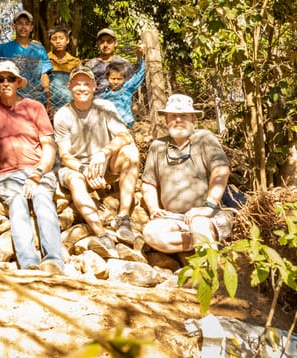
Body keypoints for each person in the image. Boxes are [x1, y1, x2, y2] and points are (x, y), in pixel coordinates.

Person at [0, 61, 64, 273]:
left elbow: (49, 146)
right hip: (7, 174)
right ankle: (28, 262)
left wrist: (37, 174)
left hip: (37, 168)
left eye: (10, 79)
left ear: (18, 82)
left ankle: (53, 261)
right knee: (17, 203)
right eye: (0, 79)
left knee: (42, 198)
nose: (5, 83)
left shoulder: (35, 107)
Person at [54, 66, 140, 257]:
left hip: (103, 164)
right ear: (69, 87)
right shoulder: (62, 115)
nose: (82, 88)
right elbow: (65, 156)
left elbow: (125, 136)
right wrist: (84, 170)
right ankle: (102, 234)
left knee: (131, 152)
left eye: (86, 84)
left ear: (94, 86)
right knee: (75, 181)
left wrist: (103, 153)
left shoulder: (105, 107)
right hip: (77, 167)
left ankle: (123, 218)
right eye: (77, 84)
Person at [141, 94, 234, 253]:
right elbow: (149, 183)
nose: (178, 120)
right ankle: (204, 242)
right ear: (166, 119)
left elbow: (221, 171)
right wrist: (154, 208)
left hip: (210, 213)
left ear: (193, 119)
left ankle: (208, 263)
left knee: (199, 225)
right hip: (173, 217)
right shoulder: (158, 146)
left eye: (184, 115)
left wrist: (208, 206)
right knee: (151, 234)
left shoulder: (204, 138)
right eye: (173, 116)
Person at [0, 11, 52, 109]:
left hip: (37, 99)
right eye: (20, 23)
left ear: (31, 27)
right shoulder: (3, 49)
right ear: (14, 26)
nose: (23, 27)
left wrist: (48, 98)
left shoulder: (39, 49)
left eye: (27, 24)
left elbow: (44, 74)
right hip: (13, 100)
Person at [97, 52, 146, 127]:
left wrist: (140, 57)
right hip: (109, 124)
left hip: (126, 122)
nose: (116, 82)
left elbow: (139, 75)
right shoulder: (103, 95)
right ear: (107, 78)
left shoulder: (127, 88)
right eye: (113, 78)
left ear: (124, 78)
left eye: (119, 79)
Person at [85, 28, 134, 95]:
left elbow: (131, 85)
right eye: (102, 41)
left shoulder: (124, 64)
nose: (105, 45)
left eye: (109, 41)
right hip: (97, 99)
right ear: (97, 44)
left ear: (115, 43)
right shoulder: (90, 65)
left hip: (119, 99)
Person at [47, 25, 80, 113]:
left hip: (70, 105)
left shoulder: (75, 62)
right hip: (50, 106)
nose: (58, 41)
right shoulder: (45, 60)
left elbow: (78, 84)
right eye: (54, 39)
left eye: (61, 38)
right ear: (50, 41)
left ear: (67, 40)